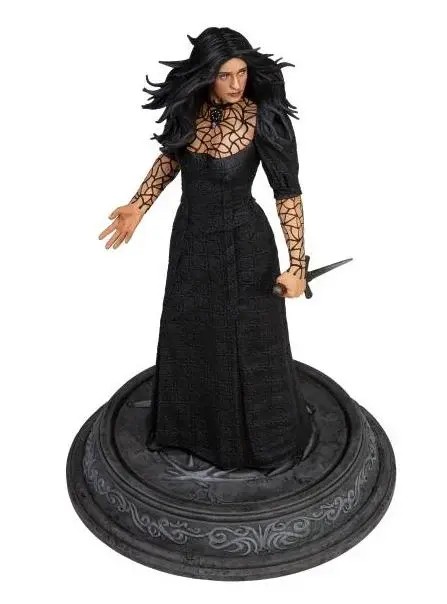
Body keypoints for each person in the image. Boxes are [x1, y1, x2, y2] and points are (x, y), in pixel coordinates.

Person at [98, 27, 315, 471]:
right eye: (225, 75)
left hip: (246, 246)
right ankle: (188, 434)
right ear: (206, 75)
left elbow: (287, 194)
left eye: (242, 73)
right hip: (191, 241)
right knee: (190, 332)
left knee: (251, 342)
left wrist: (298, 265)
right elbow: (170, 158)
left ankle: (262, 447)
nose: (237, 84)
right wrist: (138, 205)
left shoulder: (264, 118)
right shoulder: (189, 109)